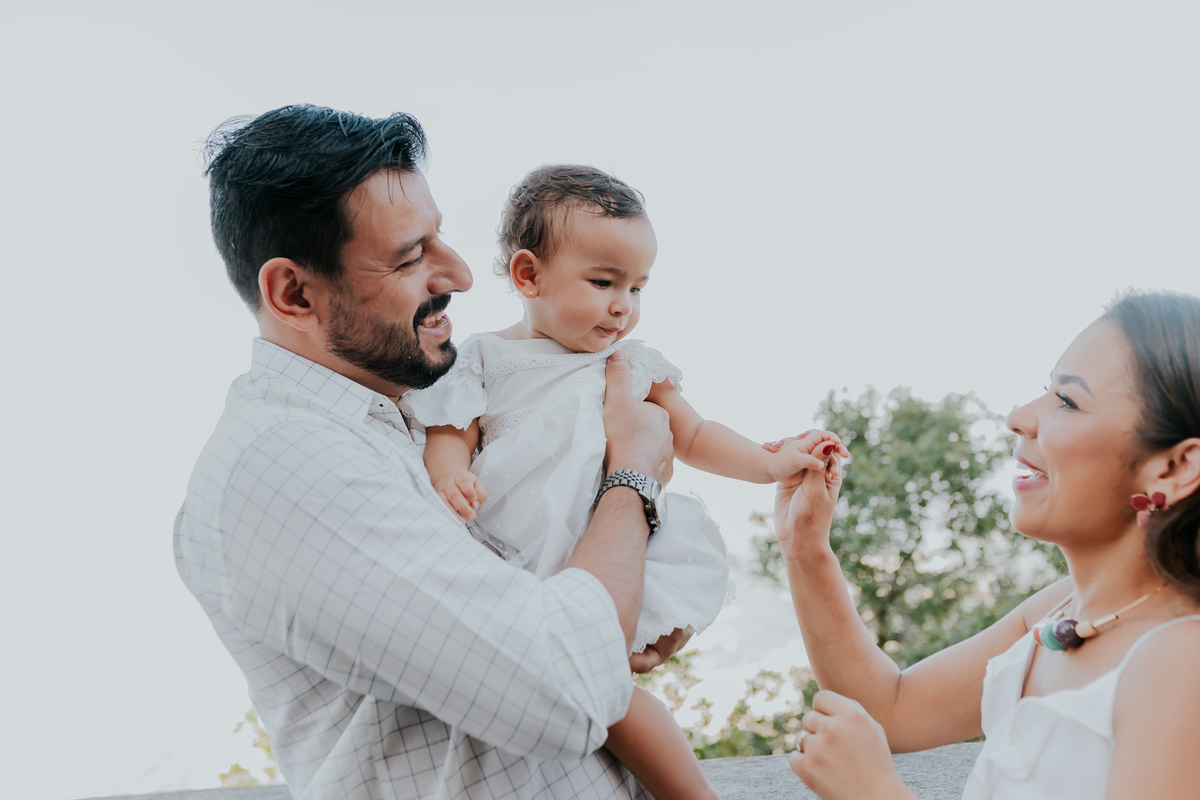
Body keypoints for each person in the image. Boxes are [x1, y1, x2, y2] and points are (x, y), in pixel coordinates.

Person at [174, 105, 698, 800]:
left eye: (440, 237)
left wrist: (626, 604)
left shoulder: (400, 424)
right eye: (410, 256)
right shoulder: (286, 462)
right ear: (293, 292)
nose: (460, 275)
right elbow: (566, 689)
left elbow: (565, 638)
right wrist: (631, 480)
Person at [403, 165, 846, 800]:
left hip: (606, 547)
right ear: (528, 276)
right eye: (604, 282)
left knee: (617, 696)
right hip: (517, 557)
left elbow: (693, 436)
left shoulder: (629, 362)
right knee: (592, 694)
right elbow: (453, 431)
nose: (623, 306)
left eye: (637, 288)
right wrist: (448, 475)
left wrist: (770, 461)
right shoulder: (484, 357)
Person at [769, 292, 1200, 799]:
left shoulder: (1182, 661)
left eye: (1068, 400)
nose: (1018, 415)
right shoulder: (1061, 607)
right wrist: (805, 547)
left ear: (1174, 469)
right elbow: (889, 709)